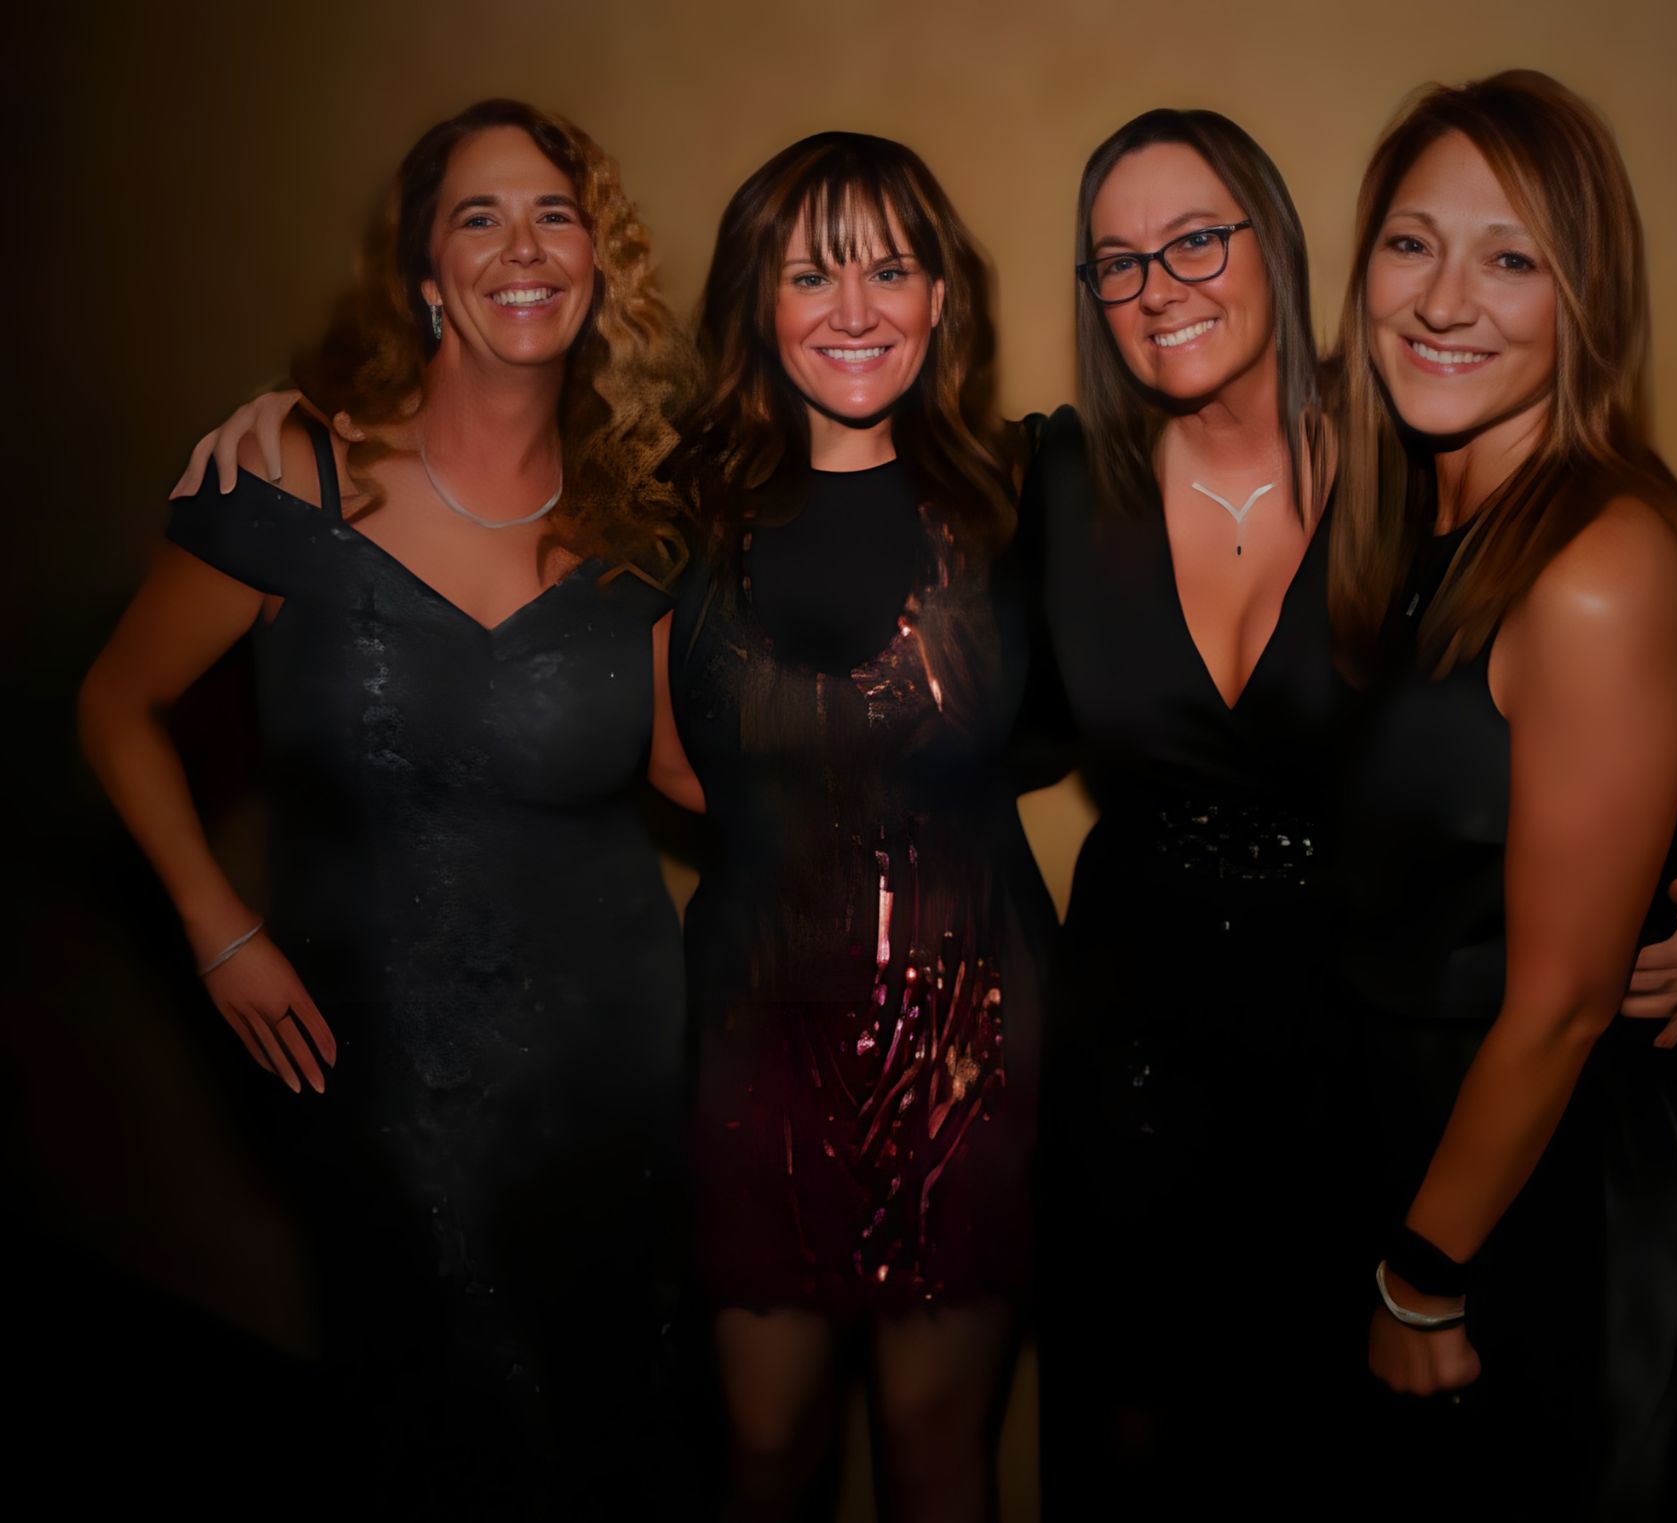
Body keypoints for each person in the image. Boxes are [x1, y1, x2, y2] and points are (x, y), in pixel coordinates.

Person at [1023, 106, 1677, 1517]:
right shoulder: (1049, 483)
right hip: (1139, 1061)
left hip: (1350, 1077)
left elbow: (1613, 714)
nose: (1161, 284)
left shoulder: (1401, 450)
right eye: (1119, 260)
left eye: (1197, 239)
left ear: (1279, 248)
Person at [78, 99, 697, 1517]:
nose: (522, 246)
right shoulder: (298, 475)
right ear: (427, 274)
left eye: (553, 213)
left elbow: (680, 771)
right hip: (381, 1083)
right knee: (429, 1422)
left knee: (610, 1435)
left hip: (613, 1073)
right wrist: (216, 925)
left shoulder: (635, 529)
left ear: (595, 265)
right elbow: (113, 709)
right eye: (478, 216)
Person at [1326, 70, 1677, 1518]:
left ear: (1588, 300)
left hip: (1535, 1214)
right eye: (1410, 242)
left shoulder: (1599, 568)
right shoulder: (1420, 520)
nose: (1444, 301)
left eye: (1512, 258)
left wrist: (1422, 1281)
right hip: (1430, 1156)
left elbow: (1561, 1003)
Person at [659, 132, 1053, 1522]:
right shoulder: (673, 515)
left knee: (936, 1463)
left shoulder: (1031, 500)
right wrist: (316, 421)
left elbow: (1274, 591)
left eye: (891, 267)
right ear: (754, 304)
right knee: (762, 1456)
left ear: (943, 297)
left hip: (970, 1052)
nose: (854, 308)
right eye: (809, 271)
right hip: (752, 1054)